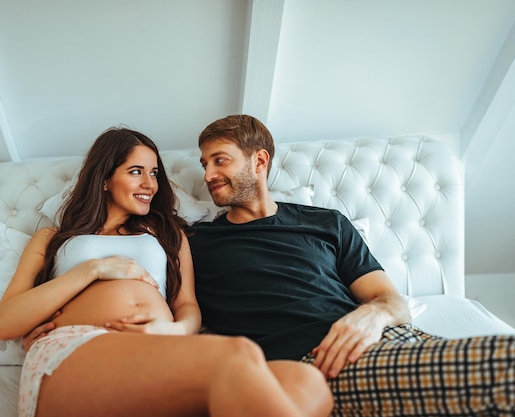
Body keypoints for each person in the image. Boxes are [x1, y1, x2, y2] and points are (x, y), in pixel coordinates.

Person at [188, 114, 515, 417]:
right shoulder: (198, 242)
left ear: (259, 160)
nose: (208, 175)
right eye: (205, 164)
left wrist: (375, 314)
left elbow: (389, 299)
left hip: (396, 338)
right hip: (323, 361)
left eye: (220, 160)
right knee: (505, 364)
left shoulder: (326, 222)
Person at [0, 127, 333, 417]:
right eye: (136, 171)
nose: (150, 183)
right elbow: (7, 322)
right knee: (237, 353)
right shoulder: (52, 238)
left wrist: (174, 331)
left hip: (156, 354)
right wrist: (93, 270)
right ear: (104, 180)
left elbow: (187, 306)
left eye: (154, 173)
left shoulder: (170, 235)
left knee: (307, 382)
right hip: (76, 352)